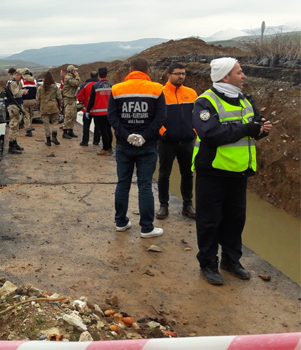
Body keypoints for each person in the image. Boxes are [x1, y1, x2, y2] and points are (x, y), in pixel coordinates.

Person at [192, 57, 271, 285]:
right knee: (209, 221)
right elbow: (210, 134)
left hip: (239, 171)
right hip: (213, 171)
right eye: (239, 72)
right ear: (225, 76)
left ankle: (230, 260)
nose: (244, 76)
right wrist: (248, 127)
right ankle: (208, 263)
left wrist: (262, 128)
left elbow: (252, 128)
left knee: (236, 219)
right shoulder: (204, 102)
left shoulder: (245, 100)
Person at [107, 57, 166, 238]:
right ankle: (147, 228)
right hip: (147, 146)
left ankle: (120, 222)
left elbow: (112, 117)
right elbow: (160, 119)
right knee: (145, 186)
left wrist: (127, 135)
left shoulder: (116, 89)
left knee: (122, 184)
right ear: (147, 71)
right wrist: (144, 136)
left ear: (130, 70)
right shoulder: (157, 89)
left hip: (124, 145)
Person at [156, 63, 198, 220]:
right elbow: (154, 116)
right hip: (167, 142)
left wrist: (194, 131)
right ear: (169, 75)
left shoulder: (191, 93)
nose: (181, 76)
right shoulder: (160, 93)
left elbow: (197, 115)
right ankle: (163, 205)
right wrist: (163, 132)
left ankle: (187, 205)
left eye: (183, 74)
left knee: (187, 173)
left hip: (187, 141)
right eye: (177, 73)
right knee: (164, 174)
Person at [85, 67, 114, 156]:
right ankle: (109, 148)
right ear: (107, 74)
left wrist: (88, 110)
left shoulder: (95, 86)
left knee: (103, 131)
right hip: (110, 112)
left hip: (99, 113)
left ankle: (106, 149)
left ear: (99, 75)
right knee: (109, 130)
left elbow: (92, 100)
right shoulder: (112, 86)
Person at [36, 71, 62, 146]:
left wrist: (38, 108)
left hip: (44, 108)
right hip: (53, 107)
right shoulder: (55, 87)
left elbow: (38, 100)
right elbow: (59, 97)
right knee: (55, 122)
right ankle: (54, 136)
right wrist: (62, 106)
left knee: (46, 124)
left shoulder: (40, 88)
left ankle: (48, 141)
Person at [5, 69, 26, 154]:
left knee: (16, 126)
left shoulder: (12, 81)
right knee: (13, 126)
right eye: (20, 77)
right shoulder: (13, 82)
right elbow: (16, 94)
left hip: (15, 106)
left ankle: (14, 144)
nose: (21, 79)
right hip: (13, 106)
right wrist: (23, 91)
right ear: (17, 75)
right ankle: (11, 147)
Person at [77, 71, 99, 146]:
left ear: (90, 76)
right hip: (98, 110)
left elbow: (79, 95)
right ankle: (96, 141)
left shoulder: (85, 85)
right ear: (97, 76)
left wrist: (83, 103)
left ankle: (85, 141)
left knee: (86, 126)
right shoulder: (99, 85)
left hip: (87, 109)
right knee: (97, 126)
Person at [62, 65, 81, 139]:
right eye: (74, 71)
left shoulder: (71, 77)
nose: (76, 72)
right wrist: (77, 77)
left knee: (73, 115)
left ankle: (70, 130)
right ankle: (65, 131)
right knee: (68, 115)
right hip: (68, 99)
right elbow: (77, 83)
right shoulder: (68, 78)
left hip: (73, 98)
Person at [20, 69, 38, 137]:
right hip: (33, 100)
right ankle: (29, 126)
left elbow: (19, 91)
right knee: (31, 114)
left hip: (25, 101)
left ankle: (28, 130)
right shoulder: (34, 81)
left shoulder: (22, 81)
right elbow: (37, 91)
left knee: (26, 115)